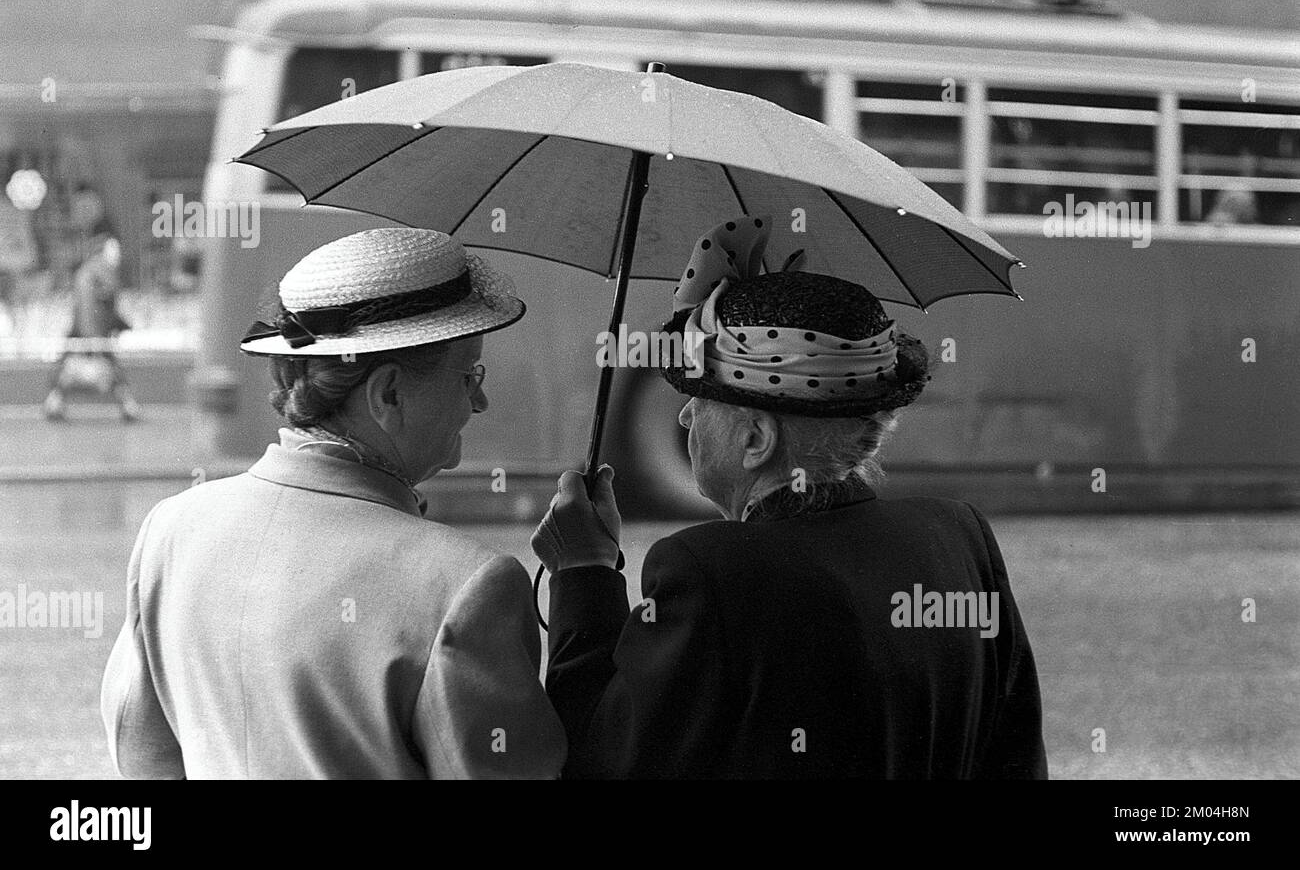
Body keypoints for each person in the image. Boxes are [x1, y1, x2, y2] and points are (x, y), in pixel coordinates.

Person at [533, 216, 1048, 779]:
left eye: (702, 402)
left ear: (757, 439)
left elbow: (597, 760)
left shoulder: (713, 572)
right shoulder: (959, 538)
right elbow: (1017, 759)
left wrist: (584, 570)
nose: (684, 417)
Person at [101, 228, 566, 779]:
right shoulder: (467, 586)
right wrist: (586, 583)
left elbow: (144, 758)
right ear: (388, 394)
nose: (479, 400)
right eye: (469, 376)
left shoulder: (171, 530)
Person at [42, 231, 142, 422]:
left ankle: (54, 403)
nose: (118, 254)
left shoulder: (94, 273)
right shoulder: (96, 274)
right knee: (108, 370)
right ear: (102, 251)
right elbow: (89, 308)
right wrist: (94, 338)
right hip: (92, 335)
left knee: (68, 369)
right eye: (113, 249)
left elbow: (100, 308)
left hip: (88, 334)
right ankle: (129, 407)